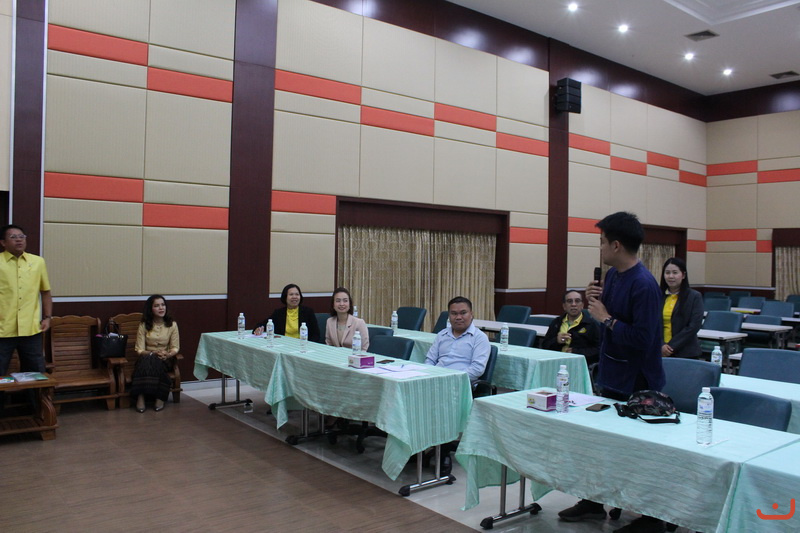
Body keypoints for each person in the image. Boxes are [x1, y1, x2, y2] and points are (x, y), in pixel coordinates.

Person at [558, 212, 666, 533]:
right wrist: (595, 303)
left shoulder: (644, 285)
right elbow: (606, 320)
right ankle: (593, 501)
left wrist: (605, 317)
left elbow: (643, 339)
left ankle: (650, 518)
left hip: (638, 380)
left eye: (602, 242)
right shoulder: (614, 276)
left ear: (617, 245)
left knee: (637, 452)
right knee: (602, 444)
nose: (600, 248)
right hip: (612, 373)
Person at [424, 296, 491, 475]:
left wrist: (451, 379)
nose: (458, 317)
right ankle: (418, 445)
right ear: (449, 316)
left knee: (441, 402)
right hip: (436, 380)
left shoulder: (480, 338)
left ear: (471, 314)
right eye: (454, 313)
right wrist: (429, 375)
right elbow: (429, 360)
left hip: (460, 385)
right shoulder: (442, 335)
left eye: (463, 313)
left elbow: (477, 369)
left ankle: (444, 451)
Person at [0, 224, 52, 375]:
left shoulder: (38, 262)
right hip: (3, 329)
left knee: (35, 373)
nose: (19, 240)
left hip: (30, 329)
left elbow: (46, 292)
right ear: (3, 242)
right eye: (13, 237)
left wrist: (47, 317)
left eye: (21, 236)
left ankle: (34, 393)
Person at [131, 295, 179, 413]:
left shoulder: (172, 324)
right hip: (147, 356)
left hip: (165, 358)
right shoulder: (144, 325)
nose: (161, 308)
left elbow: (175, 347)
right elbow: (139, 350)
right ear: (150, 309)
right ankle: (150, 397)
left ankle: (145, 396)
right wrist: (152, 353)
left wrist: (167, 355)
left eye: (163, 305)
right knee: (148, 359)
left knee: (151, 362)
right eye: (157, 306)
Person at [541, 290, 601, 365]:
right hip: (556, 363)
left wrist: (575, 352)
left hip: (579, 365)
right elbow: (544, 346)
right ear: (564, 306)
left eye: (577, 301)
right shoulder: (556, 323)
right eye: (569, 301)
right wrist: (556, 341)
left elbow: (599, 350)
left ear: (582, 305)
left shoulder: (591, 325)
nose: (573, 304)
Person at [660, 257, 703, 358]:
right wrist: (661, 345)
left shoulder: (694, 296)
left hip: (686, 352)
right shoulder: (657, 295)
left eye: (675, 272)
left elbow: (693, 326)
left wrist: (671, 346)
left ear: (683, 275)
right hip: (660, 351)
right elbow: (651, 324)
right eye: (667, 273)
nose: (671, 276)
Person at [253, 283, 320, 342]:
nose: (294, 297)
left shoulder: (308, 312)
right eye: (291, 294)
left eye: (297, 294)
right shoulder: (279, 313)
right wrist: (258, 328)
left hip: (303, 345)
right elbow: (263, 324)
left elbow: (316, 335)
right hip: (283, 345)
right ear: (285, 297)